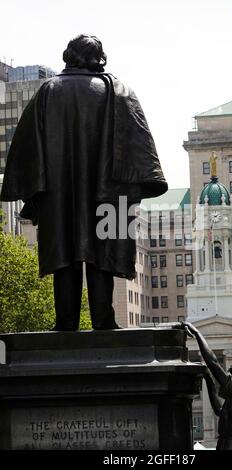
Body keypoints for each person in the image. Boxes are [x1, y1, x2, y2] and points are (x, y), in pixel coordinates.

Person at [0, 34, 168, 331]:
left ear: (69, 56)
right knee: (102, 255)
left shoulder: (48, 91)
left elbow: (26, 147)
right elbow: (138, 145)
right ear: (99, 58)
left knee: (64, 255)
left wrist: (35, 194)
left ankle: (65, 324)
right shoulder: (119, 91)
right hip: (110, 193)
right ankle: (104, 321)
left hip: (58, 194)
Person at [183, 322, 232, 450]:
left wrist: (197, 334)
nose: (229, 368)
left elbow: (212, 362)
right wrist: (209, 380)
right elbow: (219, 410)